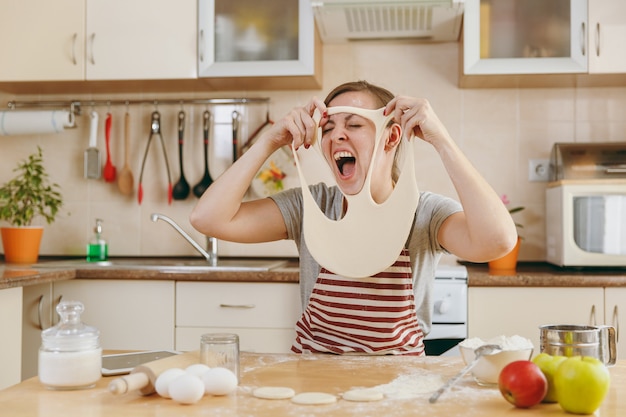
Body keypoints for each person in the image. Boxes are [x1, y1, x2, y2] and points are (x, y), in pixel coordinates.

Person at [190, 80, 517, 356]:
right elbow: (208, 219)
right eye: (328, 128)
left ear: (391, 138)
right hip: (313, 382)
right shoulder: (311, 205)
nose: (336, 136)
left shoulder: (425, 213)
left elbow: (498, 240)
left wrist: (440, 139)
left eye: (354, 124)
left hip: (401, 384)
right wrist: (269, 141)